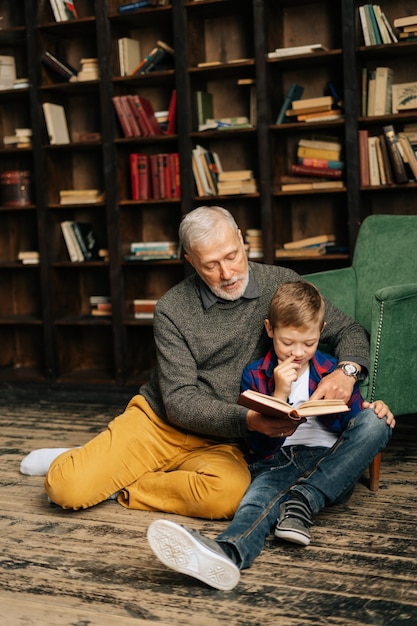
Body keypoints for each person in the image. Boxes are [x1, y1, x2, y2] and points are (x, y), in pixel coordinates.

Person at [21, 206, 370, 522]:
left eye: (232, 256)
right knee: (66, 489)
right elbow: (180, 402)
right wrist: (249, 420)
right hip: (160, 423)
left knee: (228, 498)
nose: (227, 273)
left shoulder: (280, 283)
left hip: (226, 441)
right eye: (210, 265)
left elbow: (349, 329)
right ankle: (85, 462)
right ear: (190, 260)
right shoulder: (172, 309)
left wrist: (348, 370)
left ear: (242, 240)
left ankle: (120, 481)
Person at [147, 281, 394, 591]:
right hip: (276, 462)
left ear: (322, 331)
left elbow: (354, 423)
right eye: (288, 342)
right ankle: (226, 553)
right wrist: (279, 393)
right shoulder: (255, 374)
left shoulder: (333, 371)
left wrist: (374, 410)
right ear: (270, 330)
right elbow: (259, 445)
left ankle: (303, 499)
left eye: (309, 343)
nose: (298, 353)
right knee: (255, 504)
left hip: (331, 466)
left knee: (377, 422)